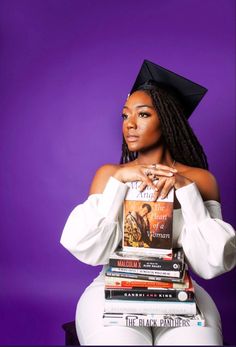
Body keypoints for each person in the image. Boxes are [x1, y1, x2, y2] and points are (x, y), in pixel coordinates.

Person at [60, 60, 236, 345]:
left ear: (167, 120)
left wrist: (188, 194)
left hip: (180, 290)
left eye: (142, 115)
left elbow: (210, 264)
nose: (129, 124)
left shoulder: (200, 181)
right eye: (125, 115)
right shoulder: (110, 175)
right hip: (112, 289)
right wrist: (119, 183)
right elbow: (88, 251)